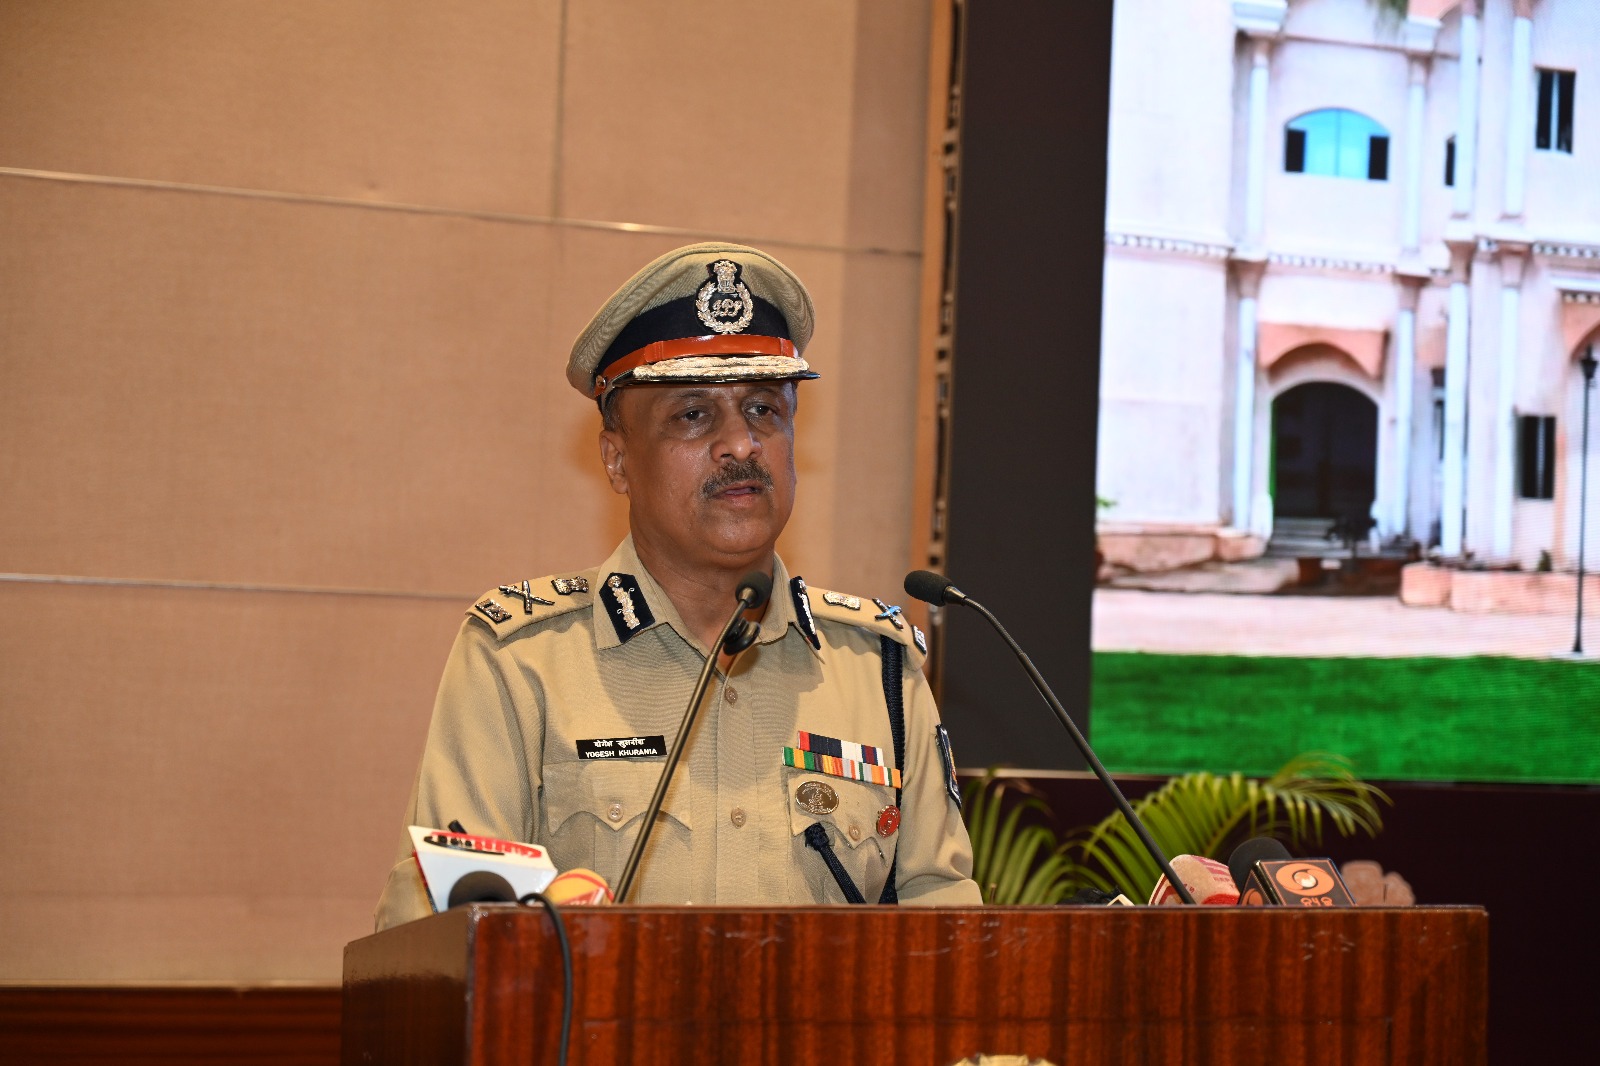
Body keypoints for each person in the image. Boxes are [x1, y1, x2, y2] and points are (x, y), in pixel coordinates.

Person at [374, 243, 980, 928]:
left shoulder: (876, 668)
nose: (741, 445)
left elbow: (947, 927)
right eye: (693, 415)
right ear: (617, 460)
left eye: (764, 410)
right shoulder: (521, 660)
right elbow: (448, 934)